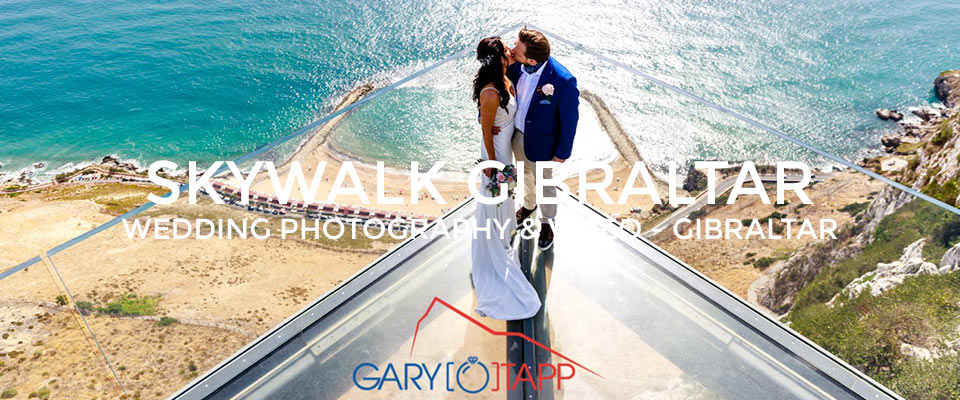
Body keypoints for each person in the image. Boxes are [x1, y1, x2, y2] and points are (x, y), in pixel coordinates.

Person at [469, 36, 541, 320]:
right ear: (496, 58)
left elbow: (493, 117)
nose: (511, 51)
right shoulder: (490, 92)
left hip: (506, 148)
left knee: (505, 196)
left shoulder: (505, 77)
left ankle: (501, 232)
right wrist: (490, 163)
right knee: (494, 195)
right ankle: (492, 248)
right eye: (505, 51)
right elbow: (486, 130)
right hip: (495, 154)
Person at [506, 27, 580, 250]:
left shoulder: (562, 80)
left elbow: (570, 120)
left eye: (516, 49)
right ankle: (529, 205)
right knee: (525, 175)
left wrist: (562, 152)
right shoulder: (516, 65)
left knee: (545, 183)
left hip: (543, 143)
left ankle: (548, 223)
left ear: (530, 59)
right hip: (517, 135)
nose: (512, 49)